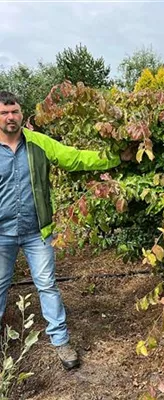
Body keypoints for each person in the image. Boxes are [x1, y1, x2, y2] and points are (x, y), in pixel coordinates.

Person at [0, 91, 129, 370]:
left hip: (37, 232)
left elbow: (75, 158)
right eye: (4, 113)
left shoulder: (38, 143)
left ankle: (61, 342)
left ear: (22, 114)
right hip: (1, 234)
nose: (10, 117)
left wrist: (117, 157)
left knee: (47, 285)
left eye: (15, 112)